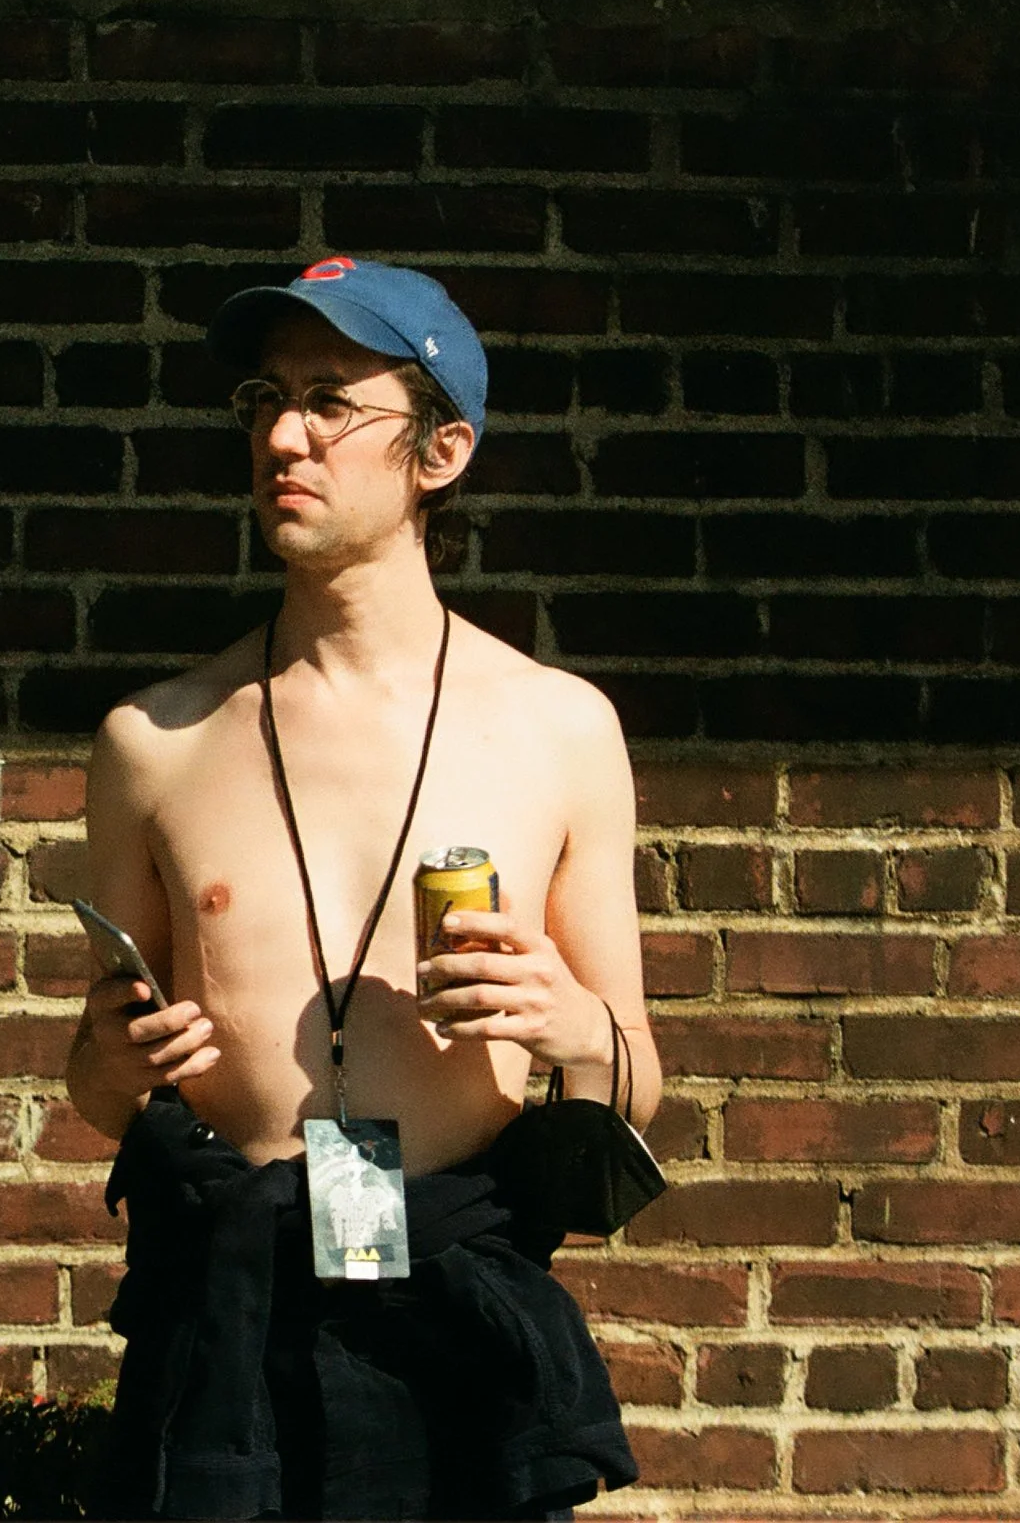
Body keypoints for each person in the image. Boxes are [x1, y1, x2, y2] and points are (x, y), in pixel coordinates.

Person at [65, 256, 659, 1521]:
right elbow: (99, 1089)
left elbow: (634, 1078)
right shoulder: (155, 740)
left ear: (440, 451)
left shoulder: (556, 730)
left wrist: (572, 1026)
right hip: (226, 1313)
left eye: (330, 401)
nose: (283, 438)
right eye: (264, 400)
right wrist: (110, 1062)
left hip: (455, 1305)